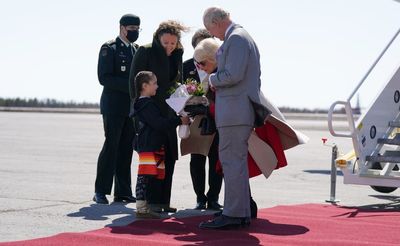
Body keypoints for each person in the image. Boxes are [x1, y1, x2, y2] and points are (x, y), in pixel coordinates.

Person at [199, 7, 270, 229]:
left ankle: (234, 213)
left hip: (234, 111)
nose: (213, 35)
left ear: (217, 22)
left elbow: (232, 74)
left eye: (211, 30)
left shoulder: (237, 39)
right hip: (237, 110)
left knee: (232, 161)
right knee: (234, 162)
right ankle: (239, 211)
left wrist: (211, 79)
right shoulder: (239, 37)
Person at [129, 20, 189, 213]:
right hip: (150, 115)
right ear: (157, 39)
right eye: (166, 43)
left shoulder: (177, 55)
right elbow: (134, 84)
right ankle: (150, 203)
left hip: (169, 113)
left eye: (173, 43)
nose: (170, 47)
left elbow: (176, 84)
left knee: (168, 157)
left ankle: (162, 202)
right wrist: (140, 113)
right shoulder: (145, 51)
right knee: (153, 158)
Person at [93, 14, 141, 205]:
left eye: (137, 29)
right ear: (122, 28)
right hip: (113, 106)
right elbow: (104, 78)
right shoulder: (110, 48)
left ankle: (123, 191)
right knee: (111, 146)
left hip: (130, 109)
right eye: (131, 28)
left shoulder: (136, 50)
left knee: (126, 149)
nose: (134, 32)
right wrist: (131, 86)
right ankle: (100, 190)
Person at [131, 71, 189, 218]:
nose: (157, 86)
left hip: (154, 145)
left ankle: (148, 205)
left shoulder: (147, 103)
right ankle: (141, 207)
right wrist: (178, 121)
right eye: (154, 83)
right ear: (144, 86)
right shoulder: (145, 105)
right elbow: (159, 124)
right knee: (145, 176)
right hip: (147, 146)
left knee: (154, 175)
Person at [182, 29, 223, 211]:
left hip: (217, 117)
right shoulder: (186, 66)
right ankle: (200, 197)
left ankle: (213, 198)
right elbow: (180, 91)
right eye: (200, 44)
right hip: (196, 119)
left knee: (216, 159)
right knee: (197, 159)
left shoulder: (222, 65)